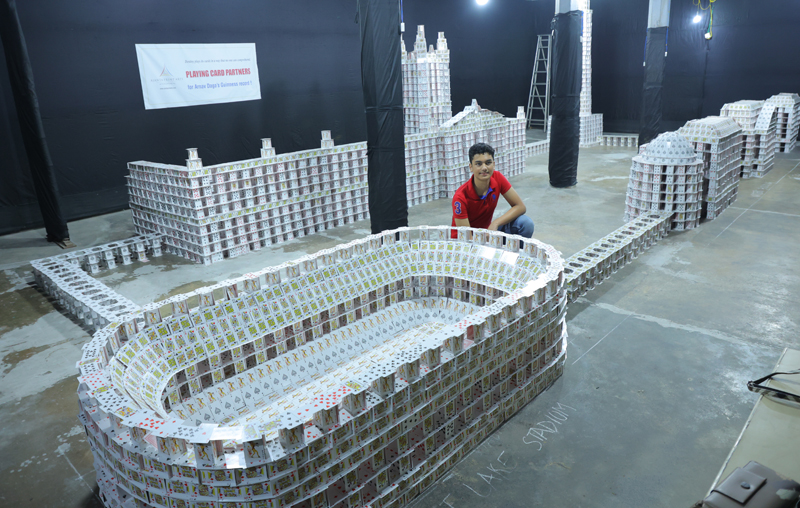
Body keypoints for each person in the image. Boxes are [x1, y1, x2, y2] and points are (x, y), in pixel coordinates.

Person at [450, 142, 534, 238]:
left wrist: (495, 223)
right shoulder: (460, 197)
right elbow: (467, 239)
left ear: (493, 165)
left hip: (487, 233)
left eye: (488, 163)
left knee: (525, 223)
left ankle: (516, 252)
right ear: (471, 167)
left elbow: (520, 207)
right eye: (478, 164)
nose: (484, 168)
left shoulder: (497, 178)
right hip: (465, 242)